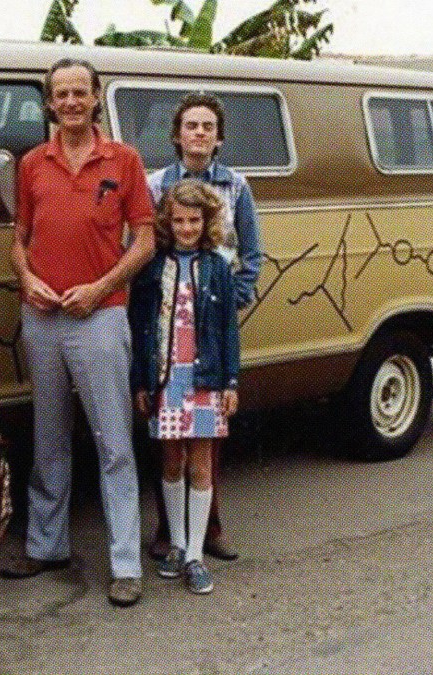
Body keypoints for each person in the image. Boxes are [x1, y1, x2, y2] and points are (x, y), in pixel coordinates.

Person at [0, 58, 155, 608]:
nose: (70, 102)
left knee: (114, 442)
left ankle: (125, 562)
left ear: (95, 98)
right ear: (50, 103)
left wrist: (99, 287)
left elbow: (144, 242)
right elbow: (19, 237)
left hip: (101, 314)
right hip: (42, 317)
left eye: (79, 93)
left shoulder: (125, 161)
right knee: (49, 436)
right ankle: (47, 546)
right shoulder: (32, 164)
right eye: (60, 94)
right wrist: (27, 277)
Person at [145, 92, 262, 562]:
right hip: (169, 315)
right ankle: (168, 531)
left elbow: (251, 253)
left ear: (218, 138)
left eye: (207, 127)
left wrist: (227, 300)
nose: (199, 133)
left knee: (208, 430)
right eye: (190, 125)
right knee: (167, 431)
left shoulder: (236, 186)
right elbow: (146, 242)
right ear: (177, 135)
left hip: (214, 315)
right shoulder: (158, 185)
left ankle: (210, 527)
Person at [129, 178, 241, 595]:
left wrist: (231, 381)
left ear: (206, 221)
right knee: (170, 463)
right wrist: (141, 380)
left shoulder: (218, 267)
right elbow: (142, 328)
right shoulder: (154, 268)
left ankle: (195, 553)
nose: (187, 228)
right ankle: (176, 544)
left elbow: (229, 327)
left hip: (206, 380)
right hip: (166, 380)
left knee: (201, 465)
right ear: (167, 222)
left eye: (194, 220)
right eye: (178, 221)